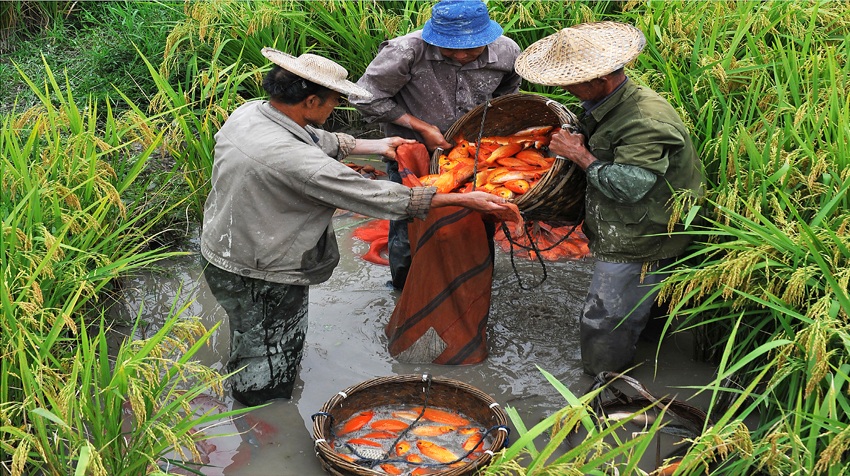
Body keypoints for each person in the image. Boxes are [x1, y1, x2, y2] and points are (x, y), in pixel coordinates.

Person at [200, 47, 509, 407]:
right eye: (333, 101)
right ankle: (263, 419)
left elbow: (313, 139)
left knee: (250, 332)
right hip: (262, 269)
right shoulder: (300, 163)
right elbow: (375, 196)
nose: (335, 109)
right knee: (271, 351)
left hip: (222, 248)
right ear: (312, 100)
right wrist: (461, 200)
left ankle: (249, 385)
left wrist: (376, 145)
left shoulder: (252, 113)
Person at [514, 22, 705, 376]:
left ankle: (603, 389)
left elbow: (632, 187)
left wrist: (580, 156)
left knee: (603, 321)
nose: (563, 88)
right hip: (629, 223)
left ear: (599, 80)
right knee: (645, 312)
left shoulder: (644, 119)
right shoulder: (607, 103)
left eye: (569, 81)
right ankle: (646, 354)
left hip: (644, 234)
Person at [350, 0, 521, 290]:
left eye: (472, 48)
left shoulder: (507, 51)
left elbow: (507, 95)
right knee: (409, 216)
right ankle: (406, 286)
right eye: (451, 48)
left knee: (482, 214)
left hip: (473, 153)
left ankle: (477, 278)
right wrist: (421, 127)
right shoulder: (406, 51)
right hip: (411, 149)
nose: (462, 55)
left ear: (487, 37)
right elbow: (363, 97)